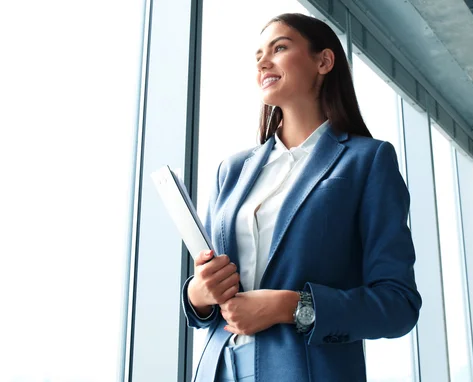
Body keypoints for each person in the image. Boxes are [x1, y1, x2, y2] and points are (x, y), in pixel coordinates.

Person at [181, 12, 422, 382]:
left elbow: (398, 304)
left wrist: (290, 306)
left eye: (279, 48)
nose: (263, 62)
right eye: (258, 55)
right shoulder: (232, 170)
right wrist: (199, 292)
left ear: (324, 61)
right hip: (219, 370)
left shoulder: (368, 161)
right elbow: (210, 305)